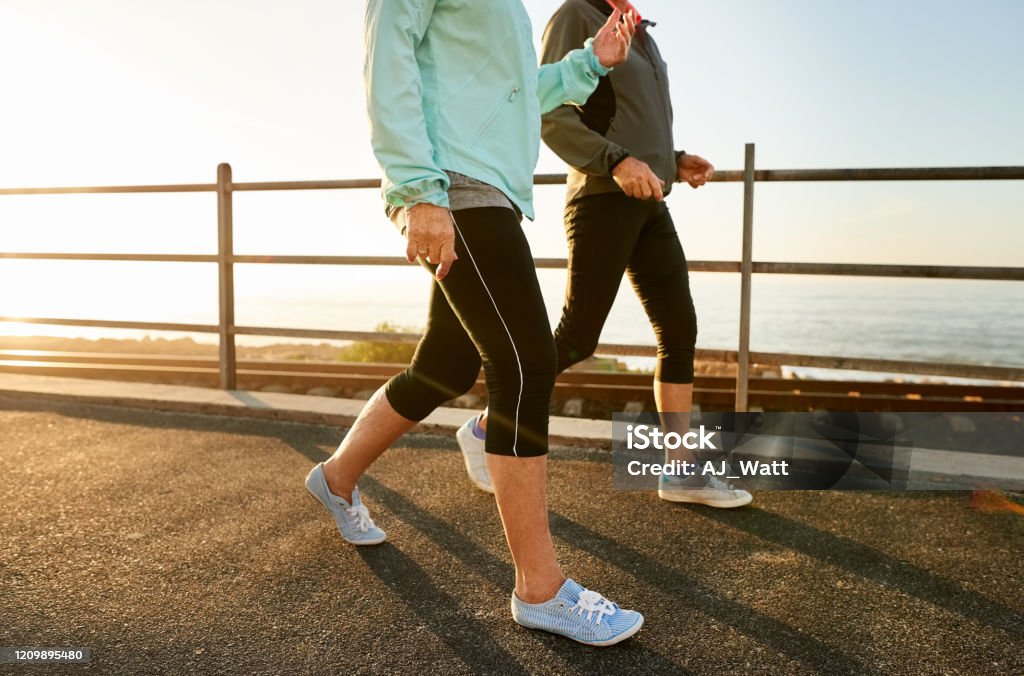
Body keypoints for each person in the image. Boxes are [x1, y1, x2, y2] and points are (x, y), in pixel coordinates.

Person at [305, 0, 645, 647]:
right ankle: (540, 590)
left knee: (446, 365)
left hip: (488, 188)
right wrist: (416, 189)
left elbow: (516, 91)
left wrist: (587, 65)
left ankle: (336, 478)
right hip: (454, 186)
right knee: (525, 364)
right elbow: (389, 61)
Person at [456, 0, 753, 509]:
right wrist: (615, 161)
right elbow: (544, 108)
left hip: (649, 200)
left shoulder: (642, 31)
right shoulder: (576, 15)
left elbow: (626, 114)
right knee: (577, 337)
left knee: (679, 331)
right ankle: (485, 427)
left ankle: (679, 472)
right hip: (600, 199)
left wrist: (672, 160)